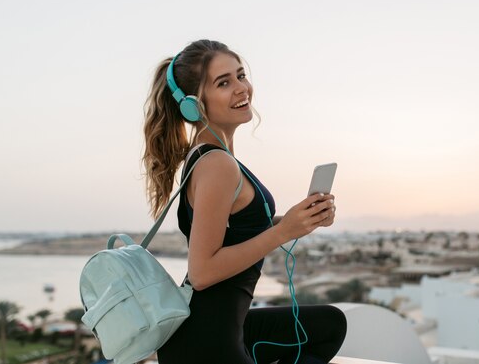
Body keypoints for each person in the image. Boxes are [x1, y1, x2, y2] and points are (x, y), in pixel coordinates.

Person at [142, 39, 347, 364]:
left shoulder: (213, 157)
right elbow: (202, 271)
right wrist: (281, 233)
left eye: (240, 75)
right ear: (193, 105)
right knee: (323, 332)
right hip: (206, 344)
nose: (241, 88)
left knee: (329, 325)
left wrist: (298, 221)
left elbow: (237, 232)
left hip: (217, 328)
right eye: (223, 83)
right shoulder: (216, 164)